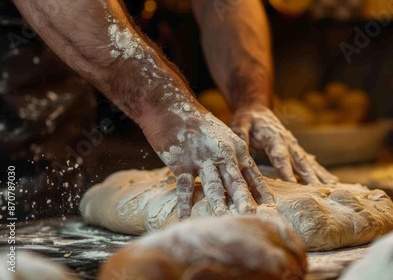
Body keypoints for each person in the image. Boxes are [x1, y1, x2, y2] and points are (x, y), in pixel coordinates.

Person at [11, 0, 337, 220]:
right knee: (22, 221)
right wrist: (167, 107)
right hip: (18, 80)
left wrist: (252, 102)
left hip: (101, 79)